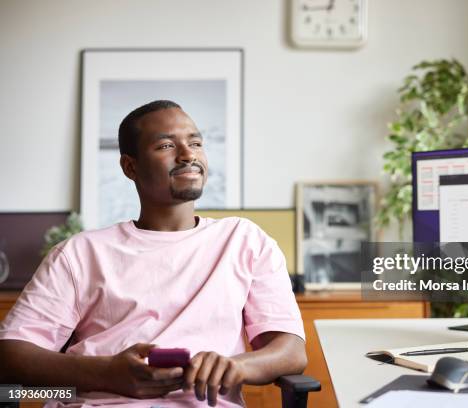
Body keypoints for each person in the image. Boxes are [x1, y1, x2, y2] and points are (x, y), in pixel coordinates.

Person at [0, 100, 307, 407]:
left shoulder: (244, 241)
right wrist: (105, 373)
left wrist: (237, 366)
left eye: (196, 143)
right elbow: (10, 355)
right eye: (165, 145)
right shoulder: (79, 253)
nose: (188, 155)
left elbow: (290, 351)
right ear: (130, 166)